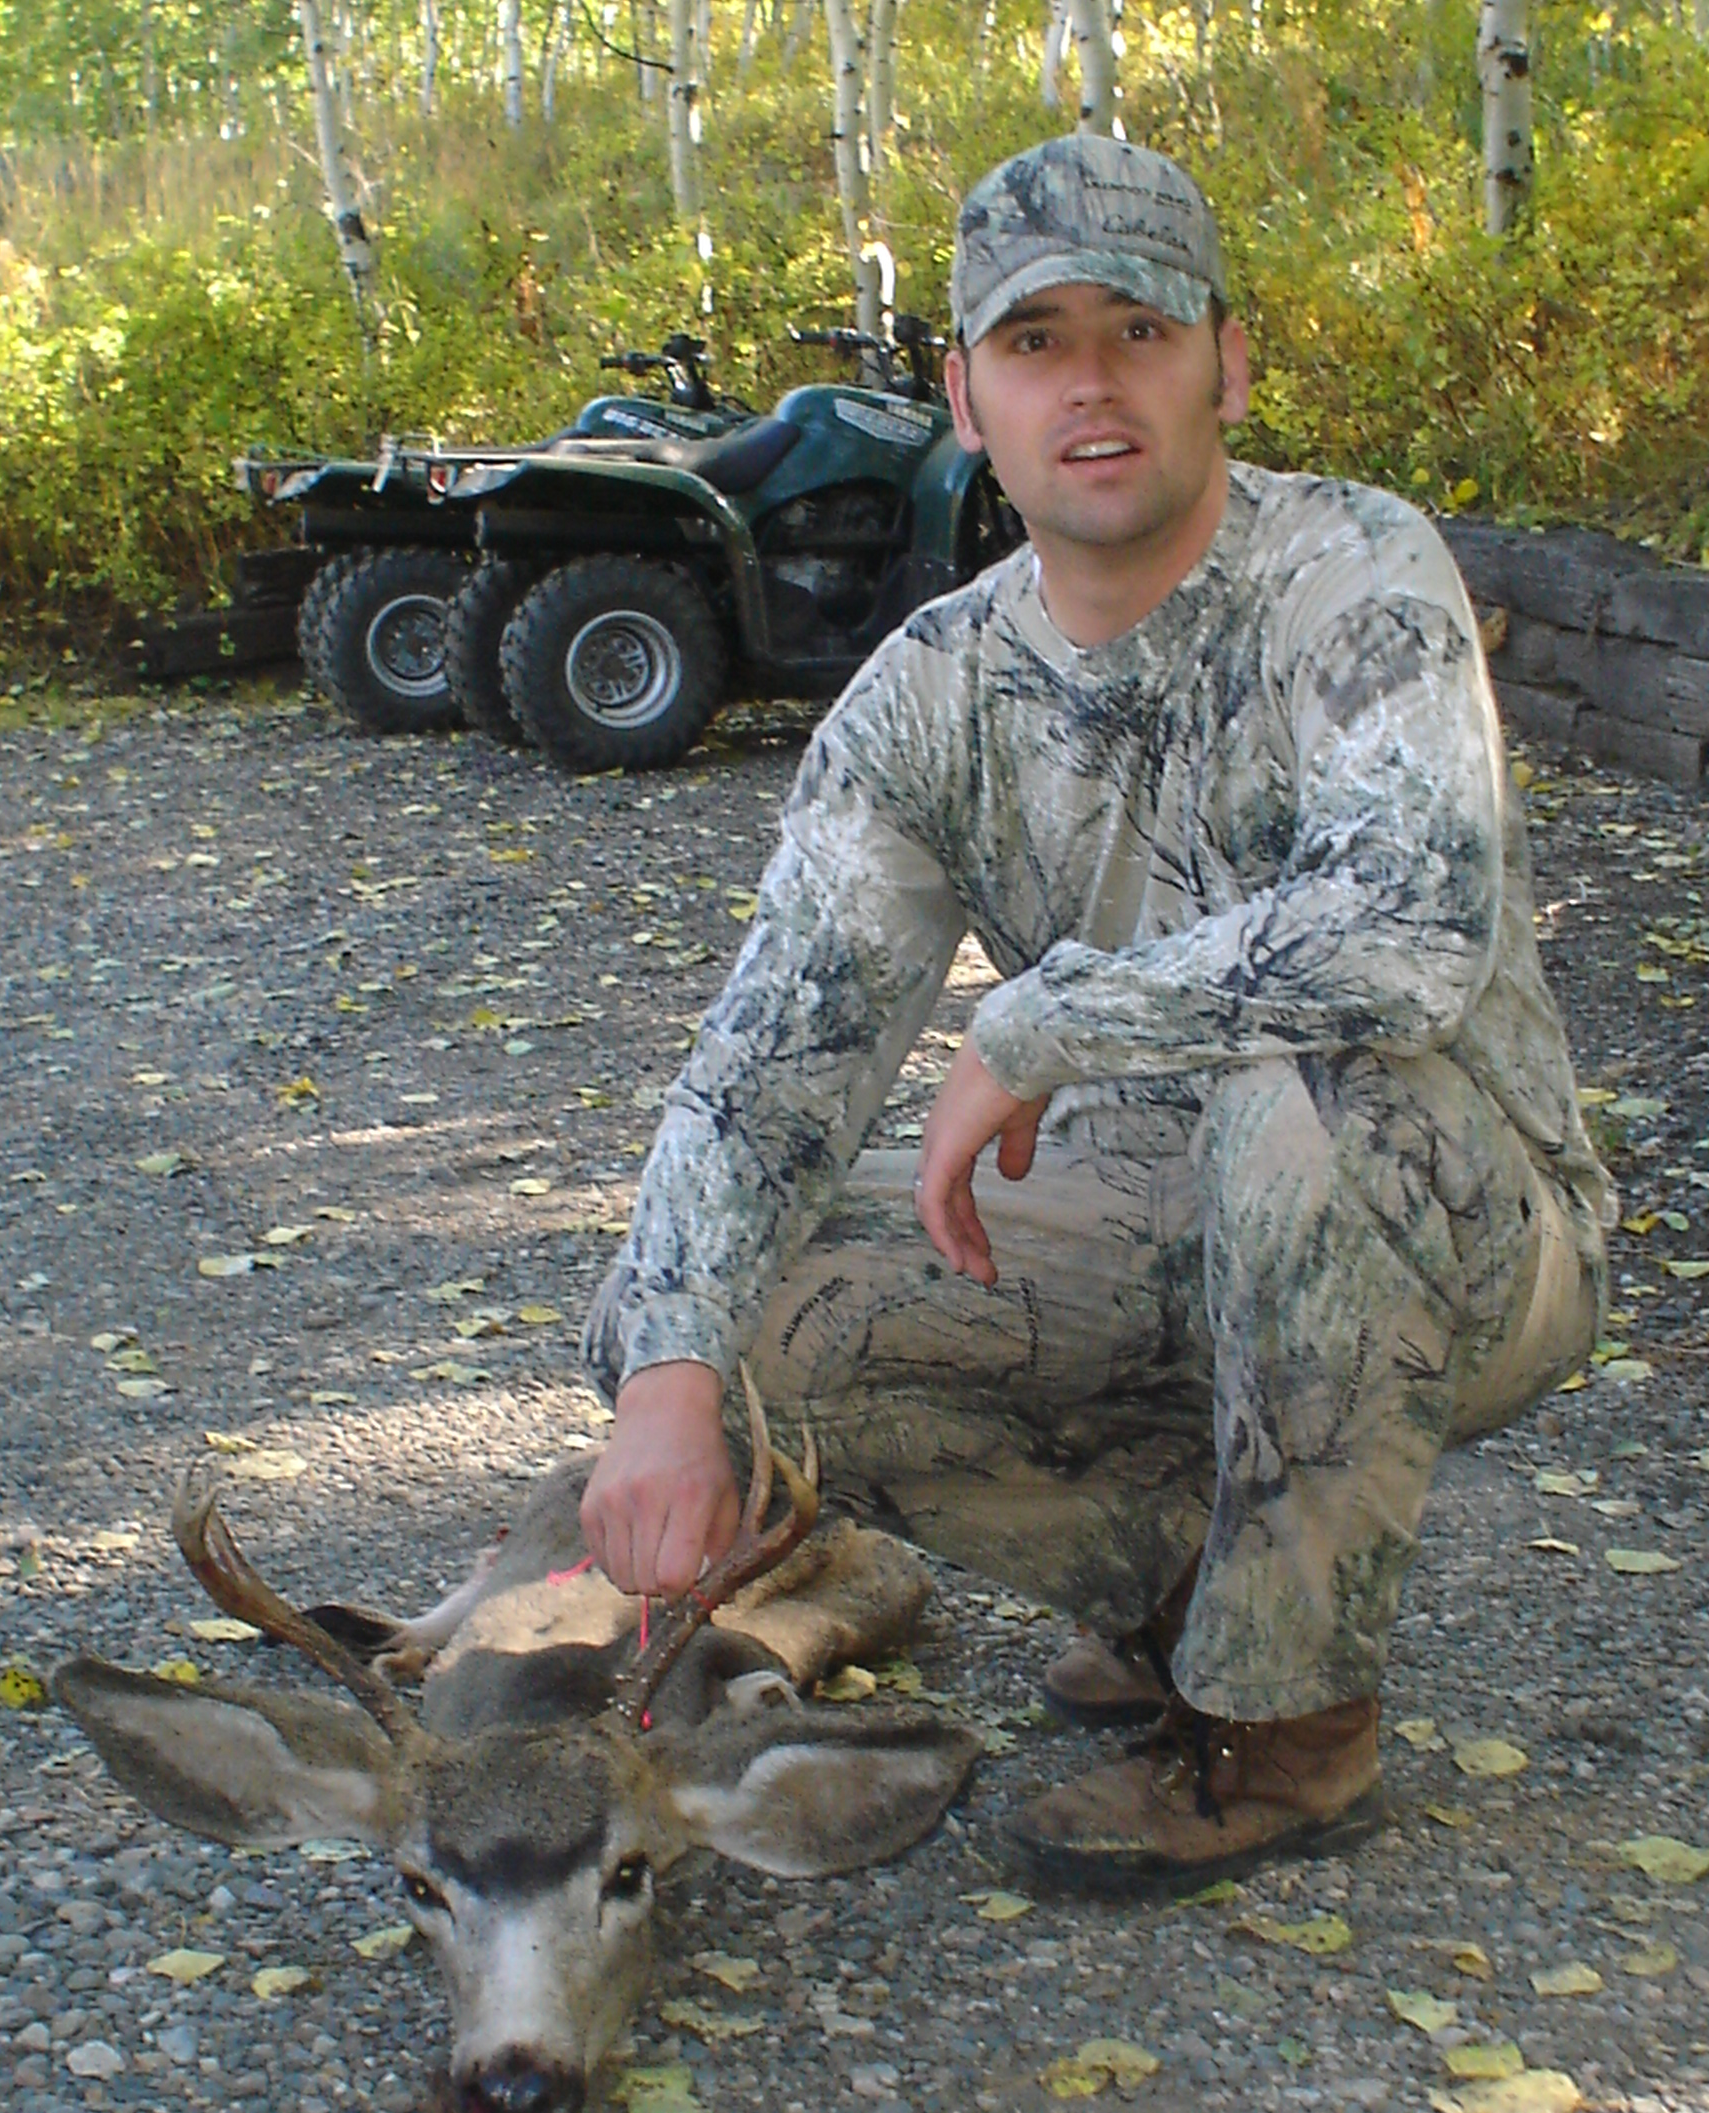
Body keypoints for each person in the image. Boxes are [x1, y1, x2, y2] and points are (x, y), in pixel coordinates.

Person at [574, 135, 1614, 1891]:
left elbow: (1412, 928)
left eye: (1138, 328)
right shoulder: (931, 693)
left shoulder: (1355, 573)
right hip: (1159, 1229)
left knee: (1313, 1106)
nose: (1094, 383)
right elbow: (774, 1063)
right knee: (712, 1324)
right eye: (1036, 342)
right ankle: (1184, 1587)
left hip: (1458, 1220)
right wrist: (671, 1374)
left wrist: (1037, 1025)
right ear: (968, 401)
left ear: (1228, 360)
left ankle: (1288, 1731)